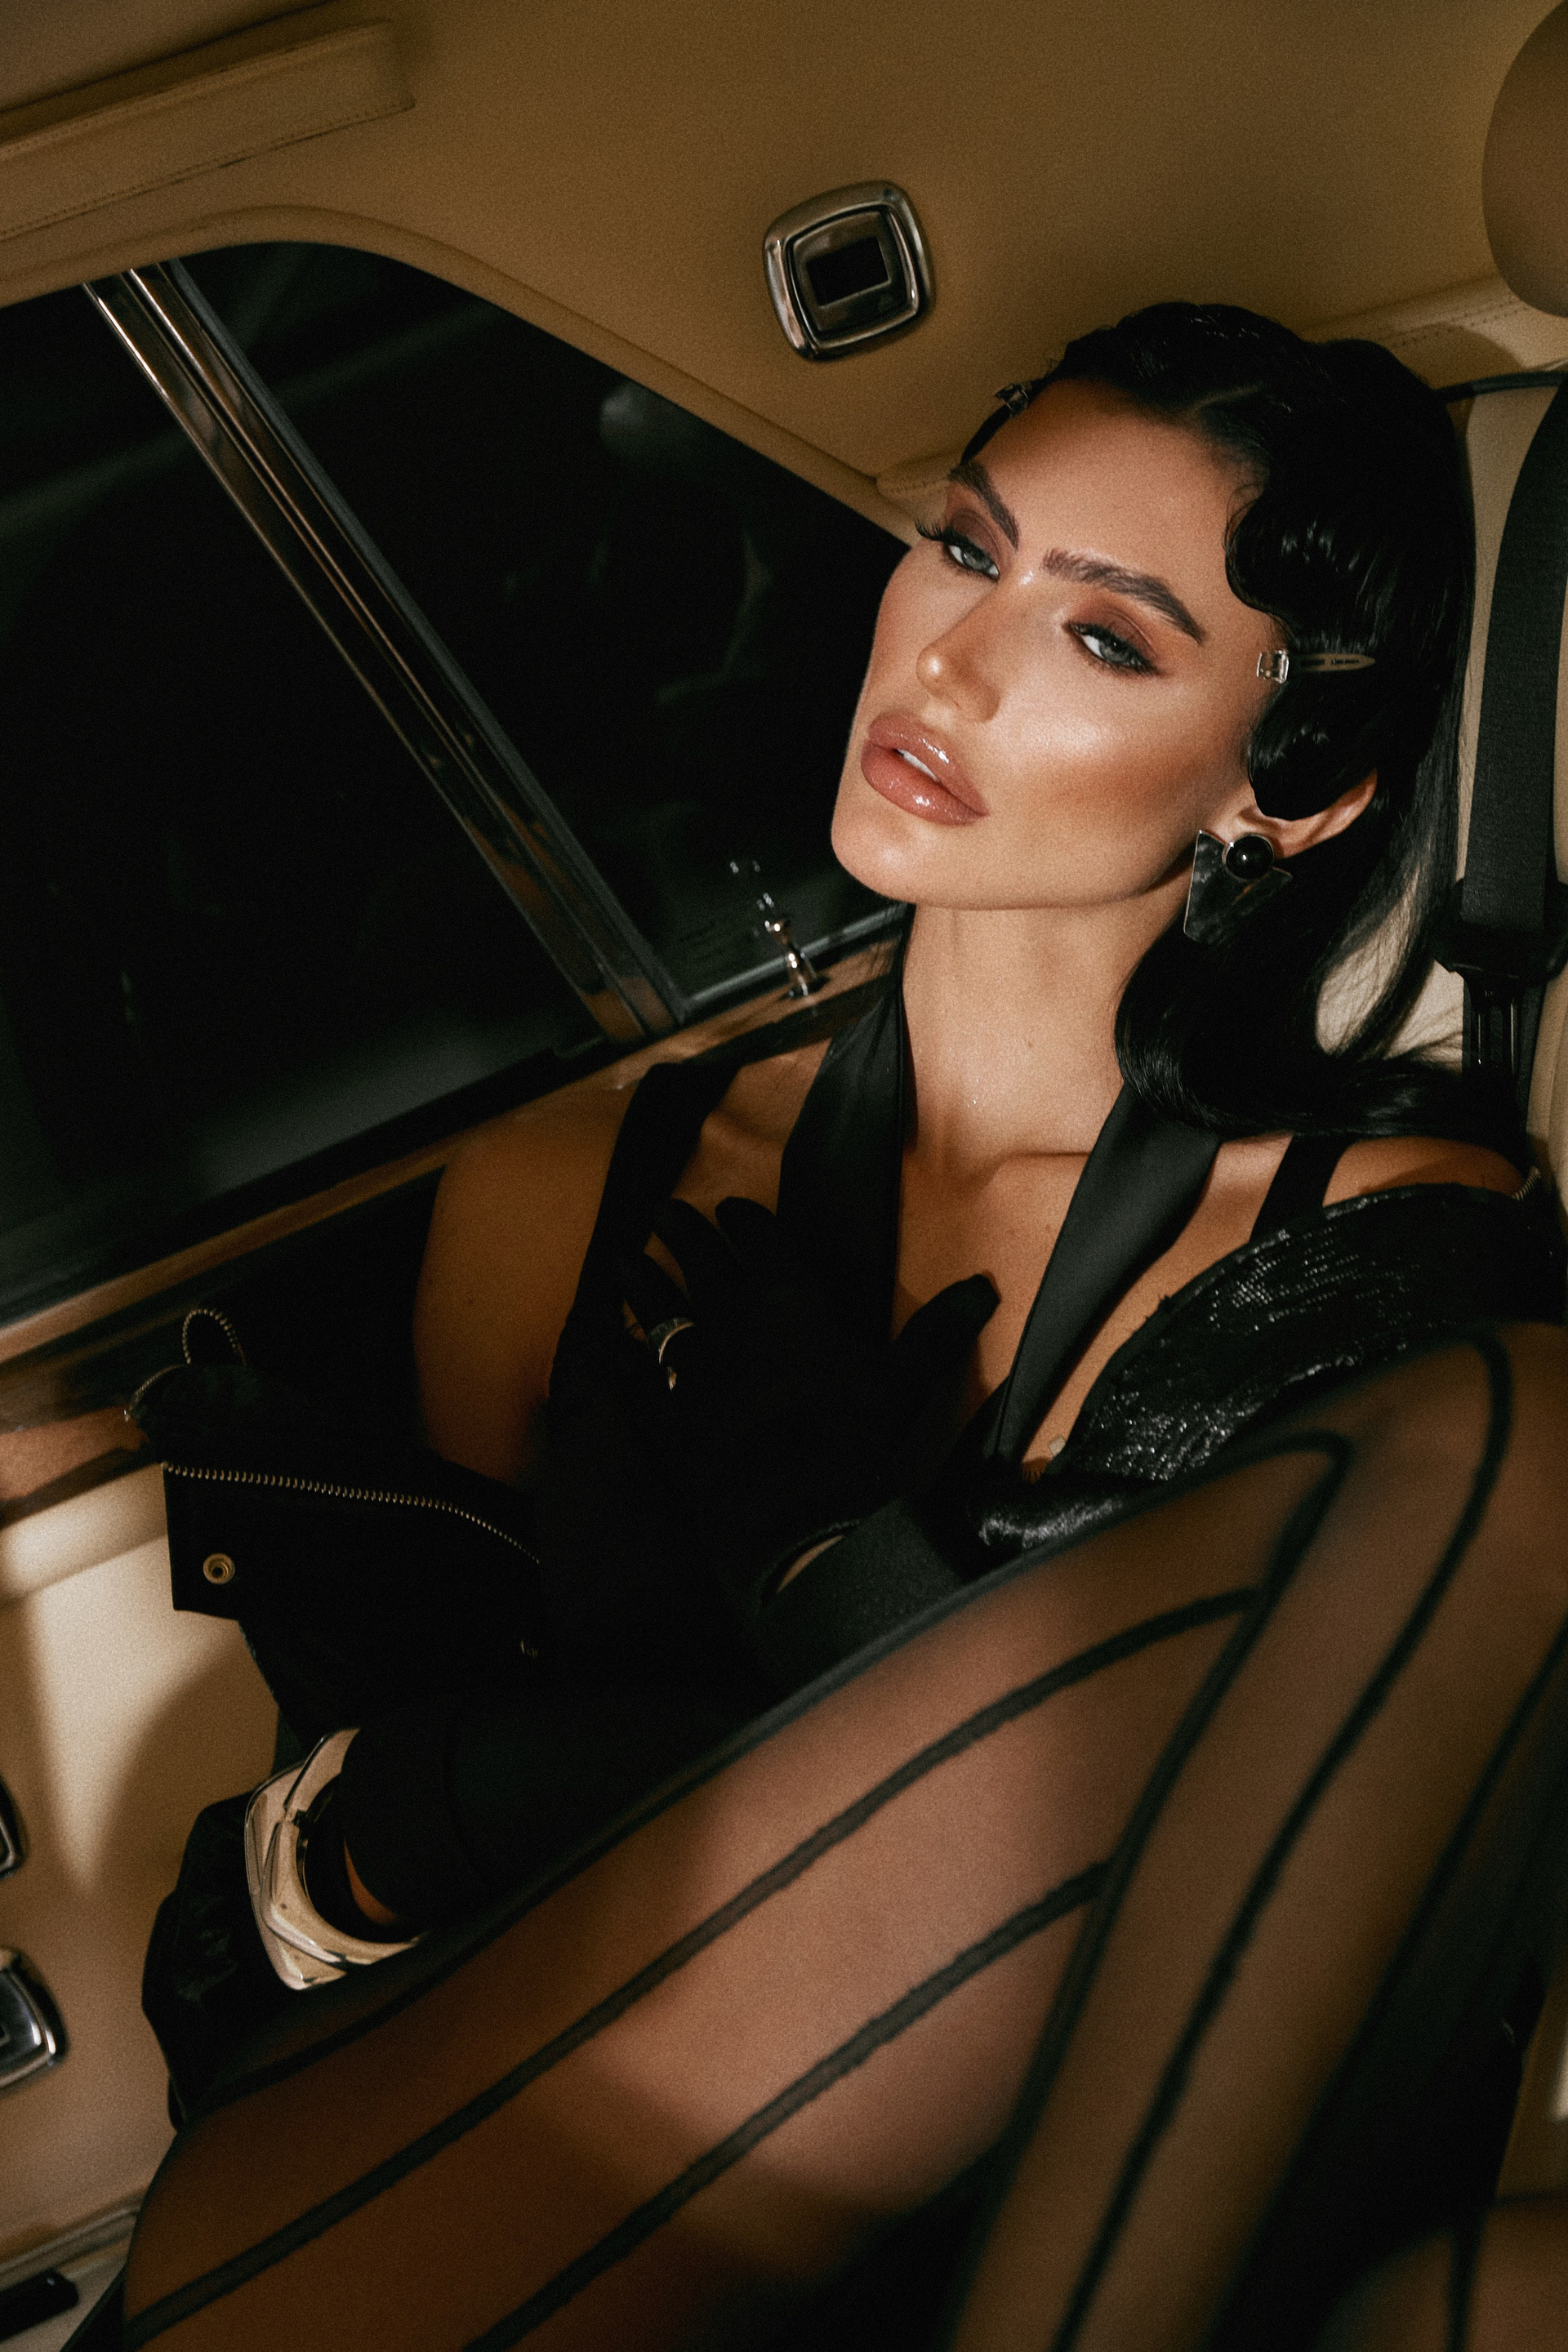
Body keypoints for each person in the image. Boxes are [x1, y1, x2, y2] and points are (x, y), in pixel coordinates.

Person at [125, 303, 1568, 2350]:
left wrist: (829, 1563)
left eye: (1106, 636)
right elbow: (325, 1914)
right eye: (965, 547)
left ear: (1296, 789)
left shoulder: (1371, 1265)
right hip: (448, 2194)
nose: (950, 662)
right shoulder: (564, 1195)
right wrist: (528, 1775)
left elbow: (1226, 1988)